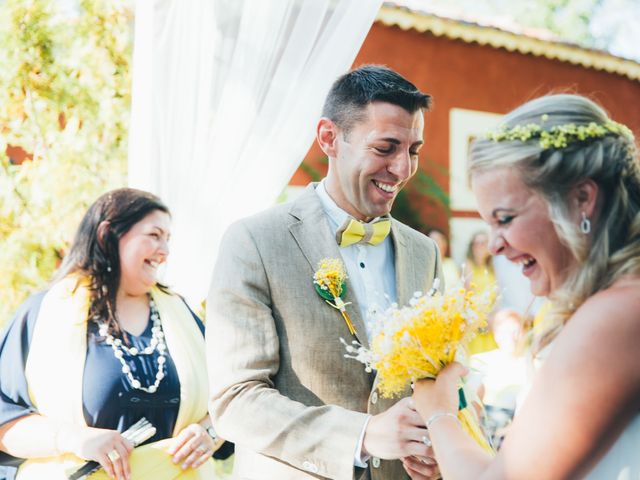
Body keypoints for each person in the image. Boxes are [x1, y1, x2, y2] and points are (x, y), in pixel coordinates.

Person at [207, 65, 443, 479]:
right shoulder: (255, 241)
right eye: (386, 148)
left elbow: (437, 378)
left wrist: (441, 442)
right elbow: (236, 400)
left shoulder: (425, 253)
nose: (403, 169)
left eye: (413, 151)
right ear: (329, 138)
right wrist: (362, 435)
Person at [413, 93, 640, 479]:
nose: (496, 244)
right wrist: (460, 444)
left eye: (505, 218)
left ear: (581, 197)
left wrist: (438, 411)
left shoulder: (616, 314)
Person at [0, 188, 231, 480]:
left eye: (167, 239)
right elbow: (4, 418)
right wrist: (73, 439)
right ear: (108, 234)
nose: (165, 251)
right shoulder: (43, 313)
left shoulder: (181, 314)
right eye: (154, 235)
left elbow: (234, 394)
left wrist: (209, 431)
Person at [464, 231, 499, 355]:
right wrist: (480, 318)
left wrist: (492, 316)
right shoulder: (468, 265)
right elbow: (468, 294)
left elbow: (496, 293)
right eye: (476, 243)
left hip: (491, 318)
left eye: (483, 243)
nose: (480, 246)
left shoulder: (492, 266)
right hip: (475, 319)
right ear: (472, 246)